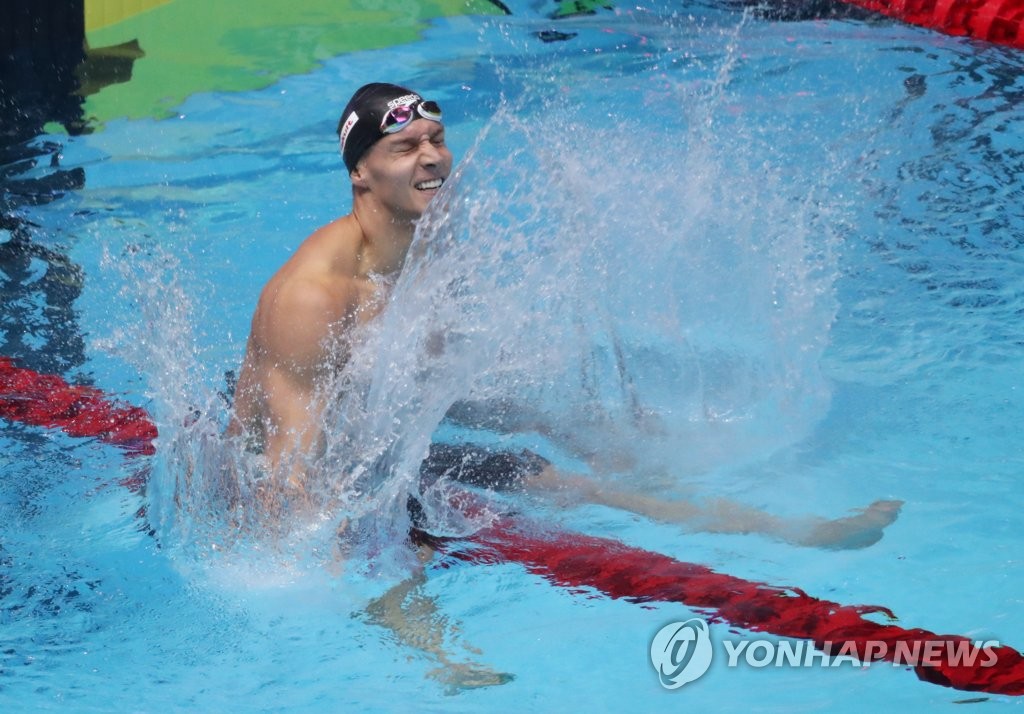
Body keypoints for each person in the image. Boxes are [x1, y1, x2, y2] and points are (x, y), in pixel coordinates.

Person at [226, 81, 900, 688]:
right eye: (405, 148)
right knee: (380, 540)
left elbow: (424, 381)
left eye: (436, 140)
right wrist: (322, 549)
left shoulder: (430, 231)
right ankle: (436, 659)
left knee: (563, 475)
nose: (431, 159)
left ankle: (798, 533)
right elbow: (289, 470)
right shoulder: (311, 298)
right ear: (360, 173)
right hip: (300, 469)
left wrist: (550, 420)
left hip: (378, 439)